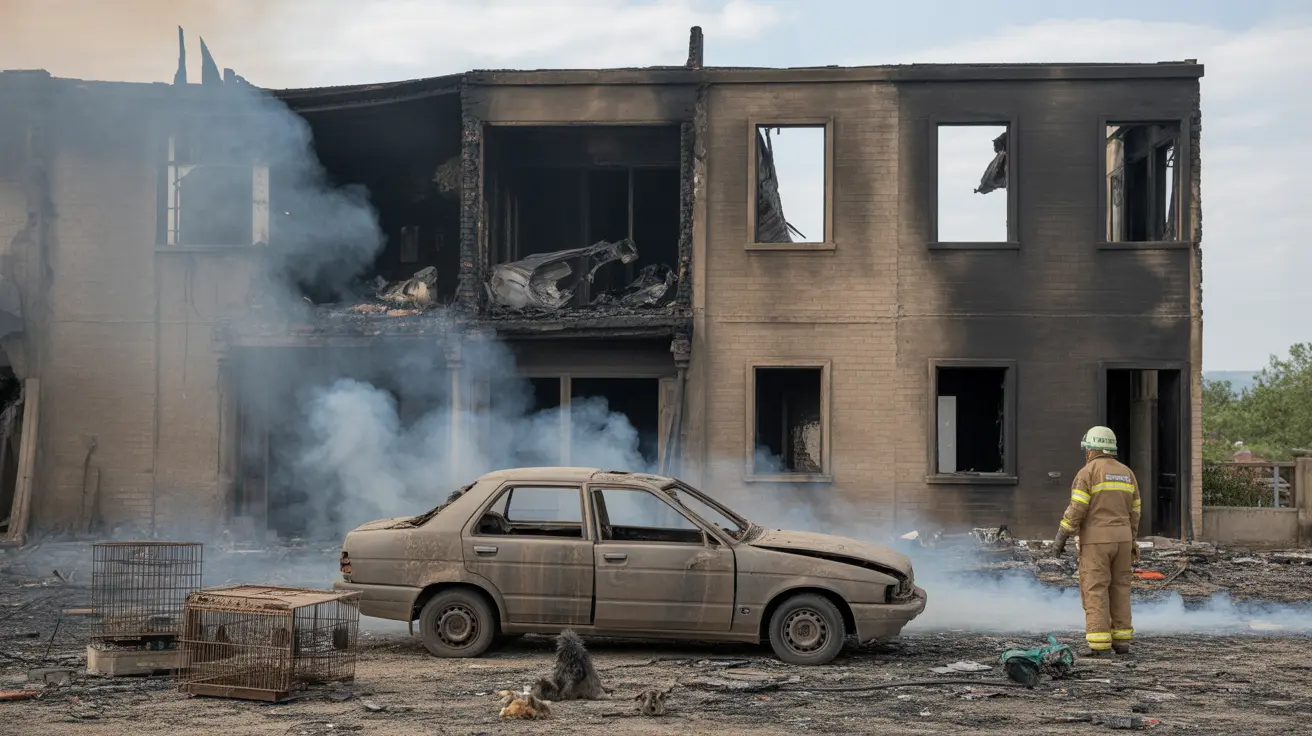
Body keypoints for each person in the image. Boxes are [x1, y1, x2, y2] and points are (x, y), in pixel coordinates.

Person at [1052, 426, 1141, 655]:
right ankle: (1122, 641)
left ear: (1092, 449)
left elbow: (1077, 509)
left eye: (1087, 449)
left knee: (1095, 588)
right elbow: (1135, 511)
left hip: (1096, 541)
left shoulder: (1087, 472)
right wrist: (1131, 539)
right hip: (1123, 540)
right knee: (1120, 588)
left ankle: (1100, 645)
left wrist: (1061, 536)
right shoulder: (1127, 473)